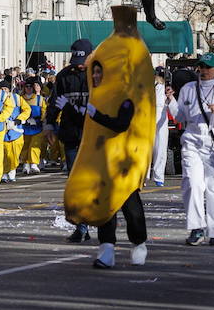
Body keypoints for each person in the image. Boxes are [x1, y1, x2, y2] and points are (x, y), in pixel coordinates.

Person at [167, 52, 214, 245]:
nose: (203, 70)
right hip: (192, 142)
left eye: (208, 67)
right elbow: (180, 116)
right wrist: (171, 102)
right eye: (201, 66)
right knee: (192, 184)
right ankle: (196, 228)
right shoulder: (188, 89)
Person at [86, 58, 150, 269]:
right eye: (94, 73)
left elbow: (121, 124)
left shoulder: (125, 98)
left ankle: (139, 243)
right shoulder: (95, 97)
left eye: (99, 73)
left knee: (131, 208)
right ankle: (106, 249)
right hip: (102, 160)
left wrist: (97, 115)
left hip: (125, 161)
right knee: (104, 207)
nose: (95, 77)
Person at [49, 39, 93, 242]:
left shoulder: (98, 74)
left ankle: (100, 223)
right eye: (76, 61)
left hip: (94, 137)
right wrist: (48, 125)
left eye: (83, 61)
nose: (79, 65)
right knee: (76, 183)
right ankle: (82, 226)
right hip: (72, 135)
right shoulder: (64, 76)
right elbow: (54, 103)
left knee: (95, 183)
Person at [18, 79, 48, 175]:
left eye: (31, 87)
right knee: (25, 145)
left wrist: (41, 120)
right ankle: (26, 163)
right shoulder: (20, 99)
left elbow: (44, 111)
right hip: (24, 126)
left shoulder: (40, 99)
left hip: (37, 126)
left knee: (35, 145)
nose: (29, 88)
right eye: (27, 86)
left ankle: (34, 164)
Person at [150, 67, 169, 186]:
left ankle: (158, 176)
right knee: (148, 146)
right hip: (151, 114)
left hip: (162, 117)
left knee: (161, 146)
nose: (160, 78)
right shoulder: (150, 86)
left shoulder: (166, 88)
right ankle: (144, 175)